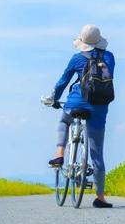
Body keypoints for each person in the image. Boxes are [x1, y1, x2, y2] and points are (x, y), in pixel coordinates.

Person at [47, 24, 115, 208]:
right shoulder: (109, 57)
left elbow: (63, 81)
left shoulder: (77, 58)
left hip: (76, 102)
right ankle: (100, 197)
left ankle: (60, 153)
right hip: (99, 107)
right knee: (97, 153)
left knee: (64, 120)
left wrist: (53, 98)